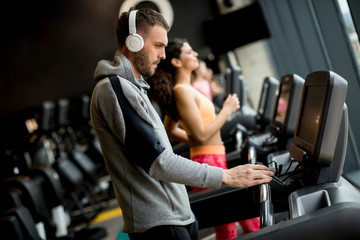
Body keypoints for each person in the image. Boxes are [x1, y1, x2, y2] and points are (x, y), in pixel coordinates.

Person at [90, 8, 274, 240]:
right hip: (159, 224)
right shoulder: (113, 88)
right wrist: (225, 176)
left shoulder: (134, 87)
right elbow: (157, 161)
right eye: (158, 45)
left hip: (177, 214)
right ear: (134, 42)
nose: (163, 55)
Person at [148, 38, 261, 239]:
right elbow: (200, 135)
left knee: (250, 221)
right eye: (189, 52)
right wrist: (226, 111)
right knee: (227, 231)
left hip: (213, 159)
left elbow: (173, 131)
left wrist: (195, 139)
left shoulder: (184, 90)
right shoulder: (182, 92)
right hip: (208, 162)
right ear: (176, 62)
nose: (196, 55)